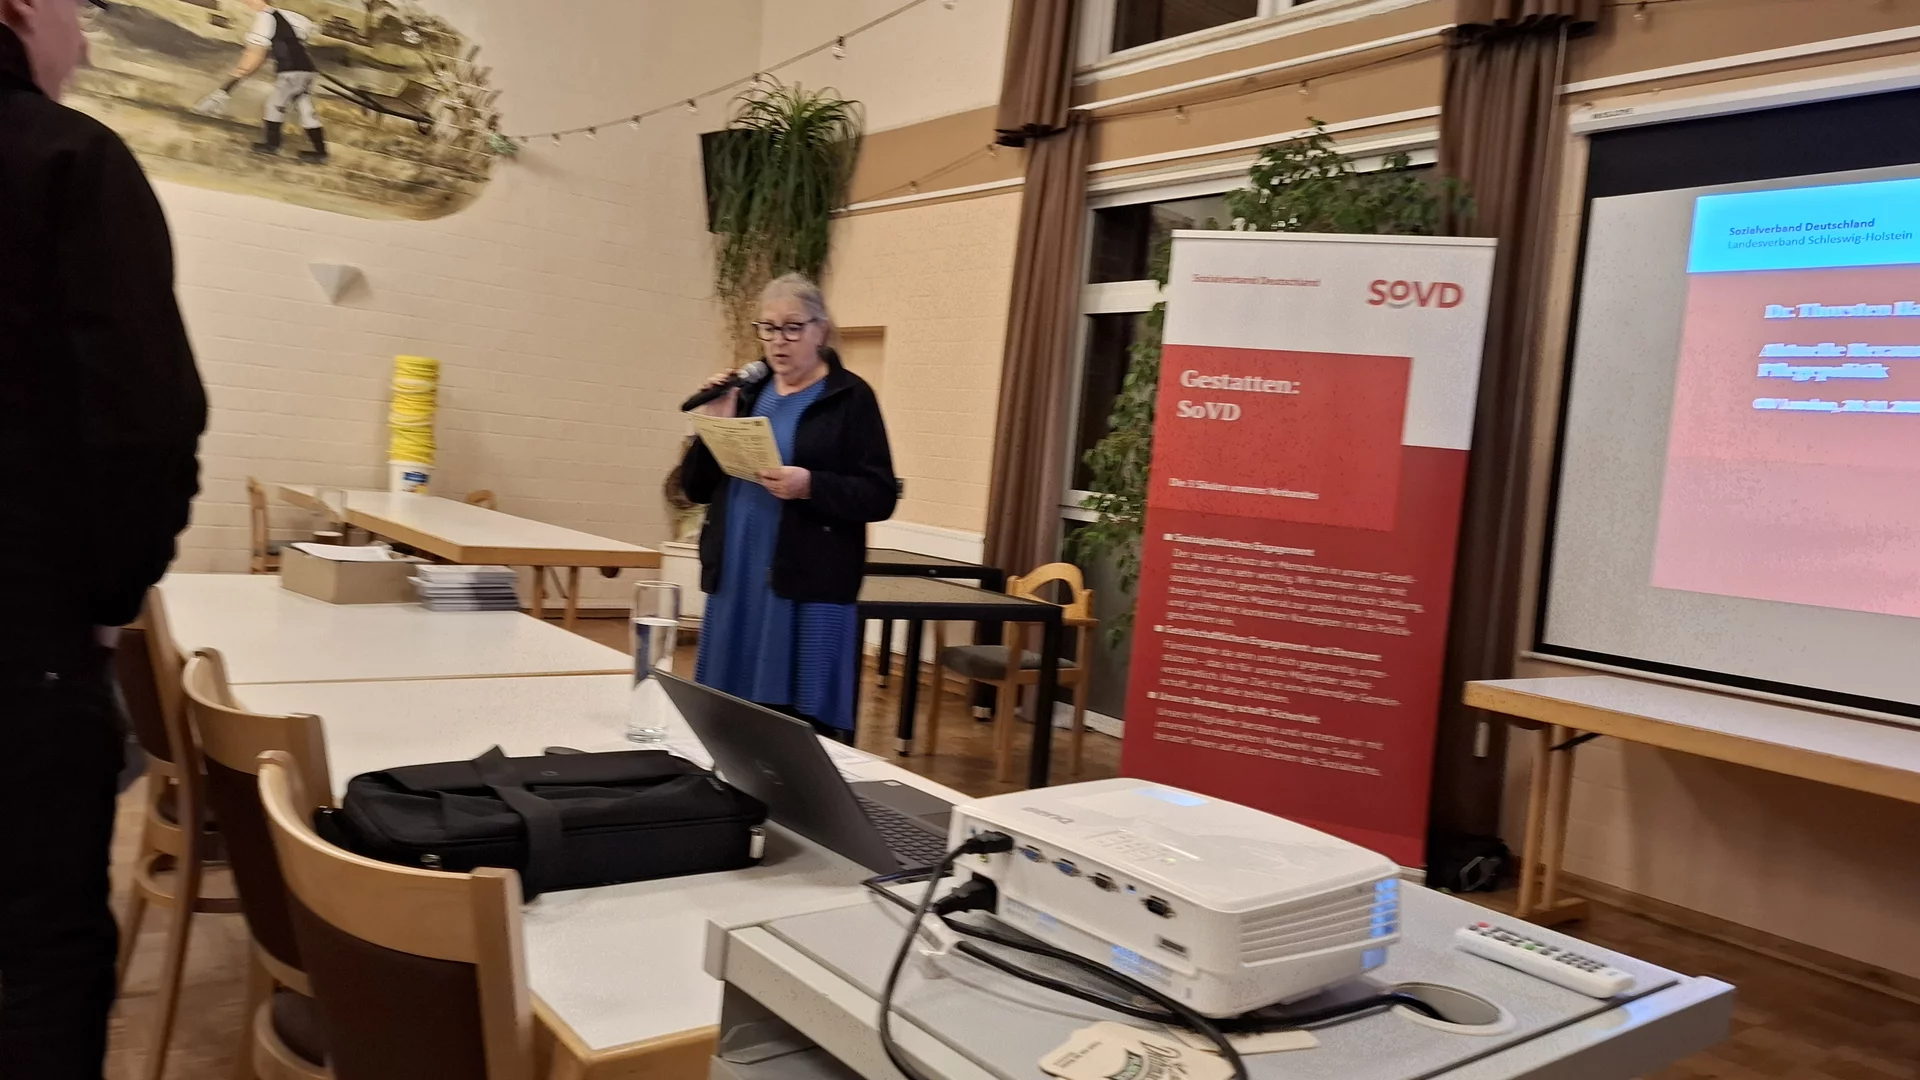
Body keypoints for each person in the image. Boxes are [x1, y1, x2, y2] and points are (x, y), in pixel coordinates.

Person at [0, 0, 207, 1073]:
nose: (84, 40)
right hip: (22, 639)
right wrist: (111, 597)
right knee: (37, 956)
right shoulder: (68, 158)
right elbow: (147, 425)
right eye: (76, 10)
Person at [680, 274, 897, 741]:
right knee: (726, 722)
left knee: (795, 728)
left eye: (793, 327)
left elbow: (879, 494)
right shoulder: (747, 393)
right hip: (737, 578)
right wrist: (712, 426)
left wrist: (811, 485)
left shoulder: (849, 398)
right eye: (769, 328)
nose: (779, 340)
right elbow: (695, 488)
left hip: (807, 584)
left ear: (821, 330)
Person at [194, 0, 328, 163]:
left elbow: (256, 55)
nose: (245, 2)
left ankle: (272, 145)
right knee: (305, 109)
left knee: (274, 105)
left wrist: (235, 78)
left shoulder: (265, 18)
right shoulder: (288, 16)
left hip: (291, 70)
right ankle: (320, 152)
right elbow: (306, 32)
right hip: (307, 70)